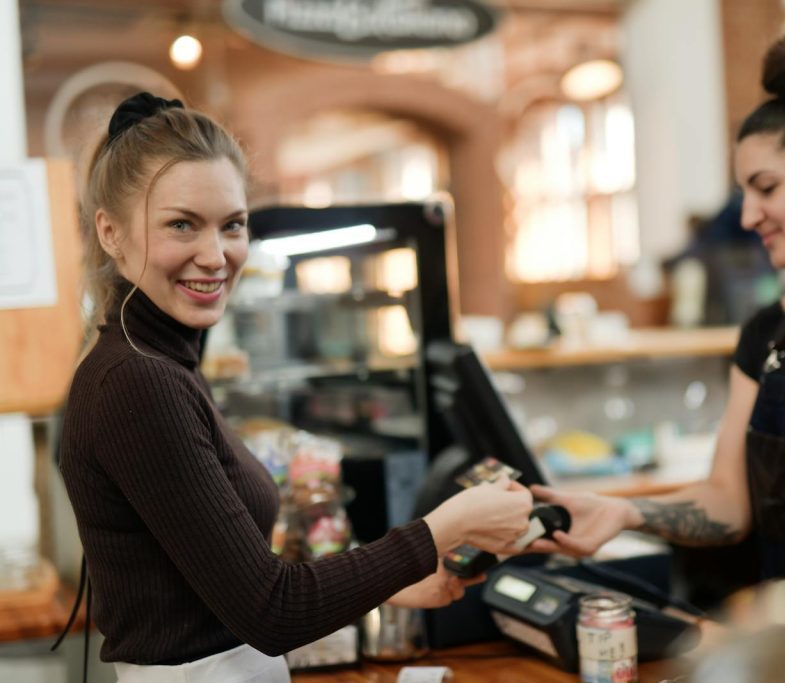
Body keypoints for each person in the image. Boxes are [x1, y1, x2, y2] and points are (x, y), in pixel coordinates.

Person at [58, 92, 533, 681]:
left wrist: (386, 588)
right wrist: (447, 527)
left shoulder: (160, 360)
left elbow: (216, 575)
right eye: (182, 225)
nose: (216, 255)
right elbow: (271, 609)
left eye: (232, 225)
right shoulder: (137, 382)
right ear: (111, 232)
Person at [530, 34, 785, 581]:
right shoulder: (766, 336)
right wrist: (626, 511)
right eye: (745, 192)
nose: (747, 216)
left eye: (766, 187)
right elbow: (728, 504)